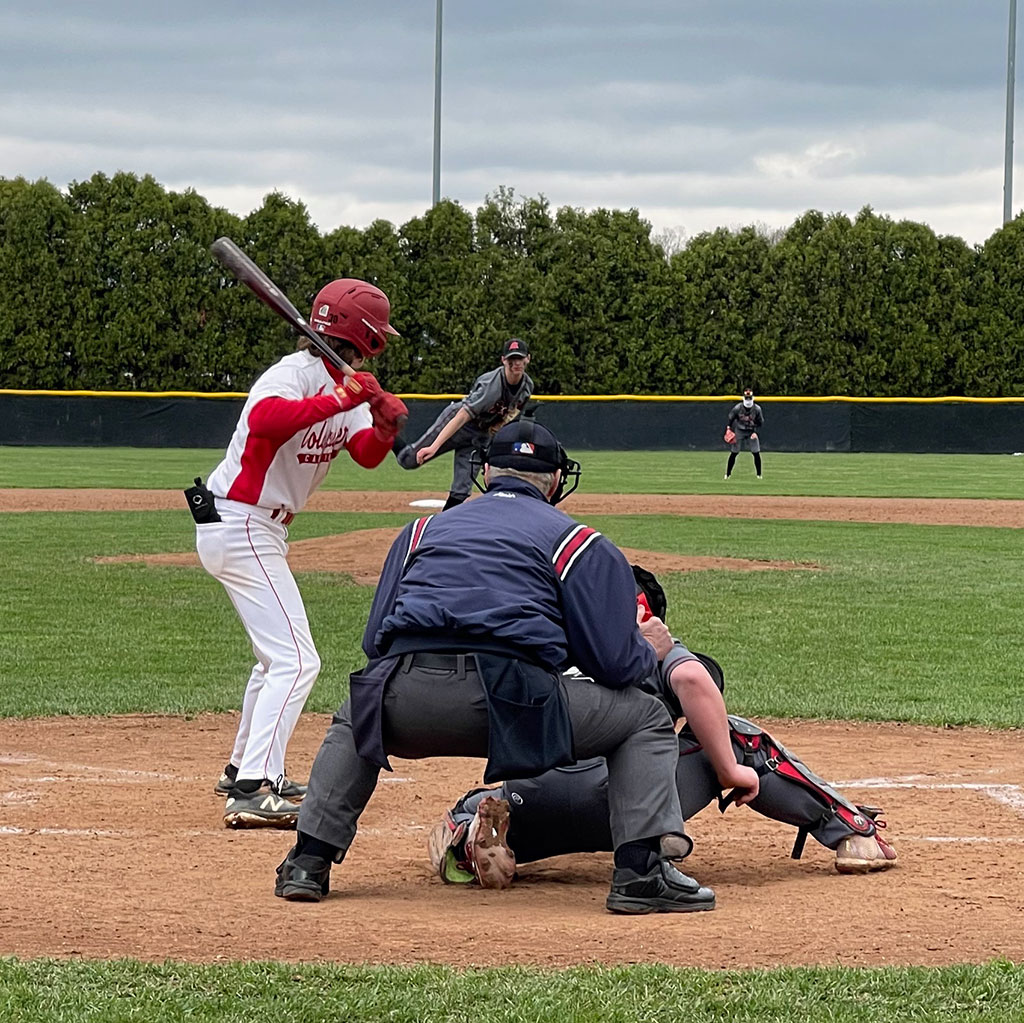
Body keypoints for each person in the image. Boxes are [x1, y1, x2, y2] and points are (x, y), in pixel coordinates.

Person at [274, 419, 744, 914]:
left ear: (487, 472)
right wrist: (646, 646)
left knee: (357, 716)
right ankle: (641, 874)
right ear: (556, 481)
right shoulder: (577, 540)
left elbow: (375, 643)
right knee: (644, 717)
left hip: (407, 696)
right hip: (513, 702)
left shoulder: (419, 532)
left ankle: (308, 862)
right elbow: (614, 665)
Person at [430, 567, 898, 886]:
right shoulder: (648, 642)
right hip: (620, 804)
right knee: (736, 739)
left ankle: (468, 828)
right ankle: (852, 832)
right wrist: (731, 771)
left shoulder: (547, 642)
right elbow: (693, 680)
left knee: (484, 798)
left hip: (533, 797)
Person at [187, 278, 408, 830]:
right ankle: (253, 788)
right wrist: (339, 399)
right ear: (367, 334)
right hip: (240, 520)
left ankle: (245, 765)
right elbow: (263, 423)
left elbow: (364, 455)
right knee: (297, 659)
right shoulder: (293, 375)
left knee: (274, 660)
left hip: (260, 528)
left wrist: (381, 424)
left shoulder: (347, 383)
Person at [393, 337, 534, 510]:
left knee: (462, 489)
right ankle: (387, 434)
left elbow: (509, 416)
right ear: (503, 360)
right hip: (459, 424)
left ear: (528, 358)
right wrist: (435, 446)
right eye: (512, 359)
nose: (516, 363)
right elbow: (462, 415)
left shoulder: (527, 386)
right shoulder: (492, 386)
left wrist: (491, 441)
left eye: (520, 358)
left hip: (481, 433)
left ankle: (445, 527)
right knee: (410, 460)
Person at [724, 388, 765, 479]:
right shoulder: (738, 408)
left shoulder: (757, 409)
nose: (748, 400)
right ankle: (727, 474)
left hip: (751, 431)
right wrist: (728, 429)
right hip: (740, 430)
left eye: (749, 398)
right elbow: (731, 418)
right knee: (734, 452)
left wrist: (755, 432)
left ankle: (759, 475)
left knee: (756, 452)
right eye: (747, 398)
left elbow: (760, 422)